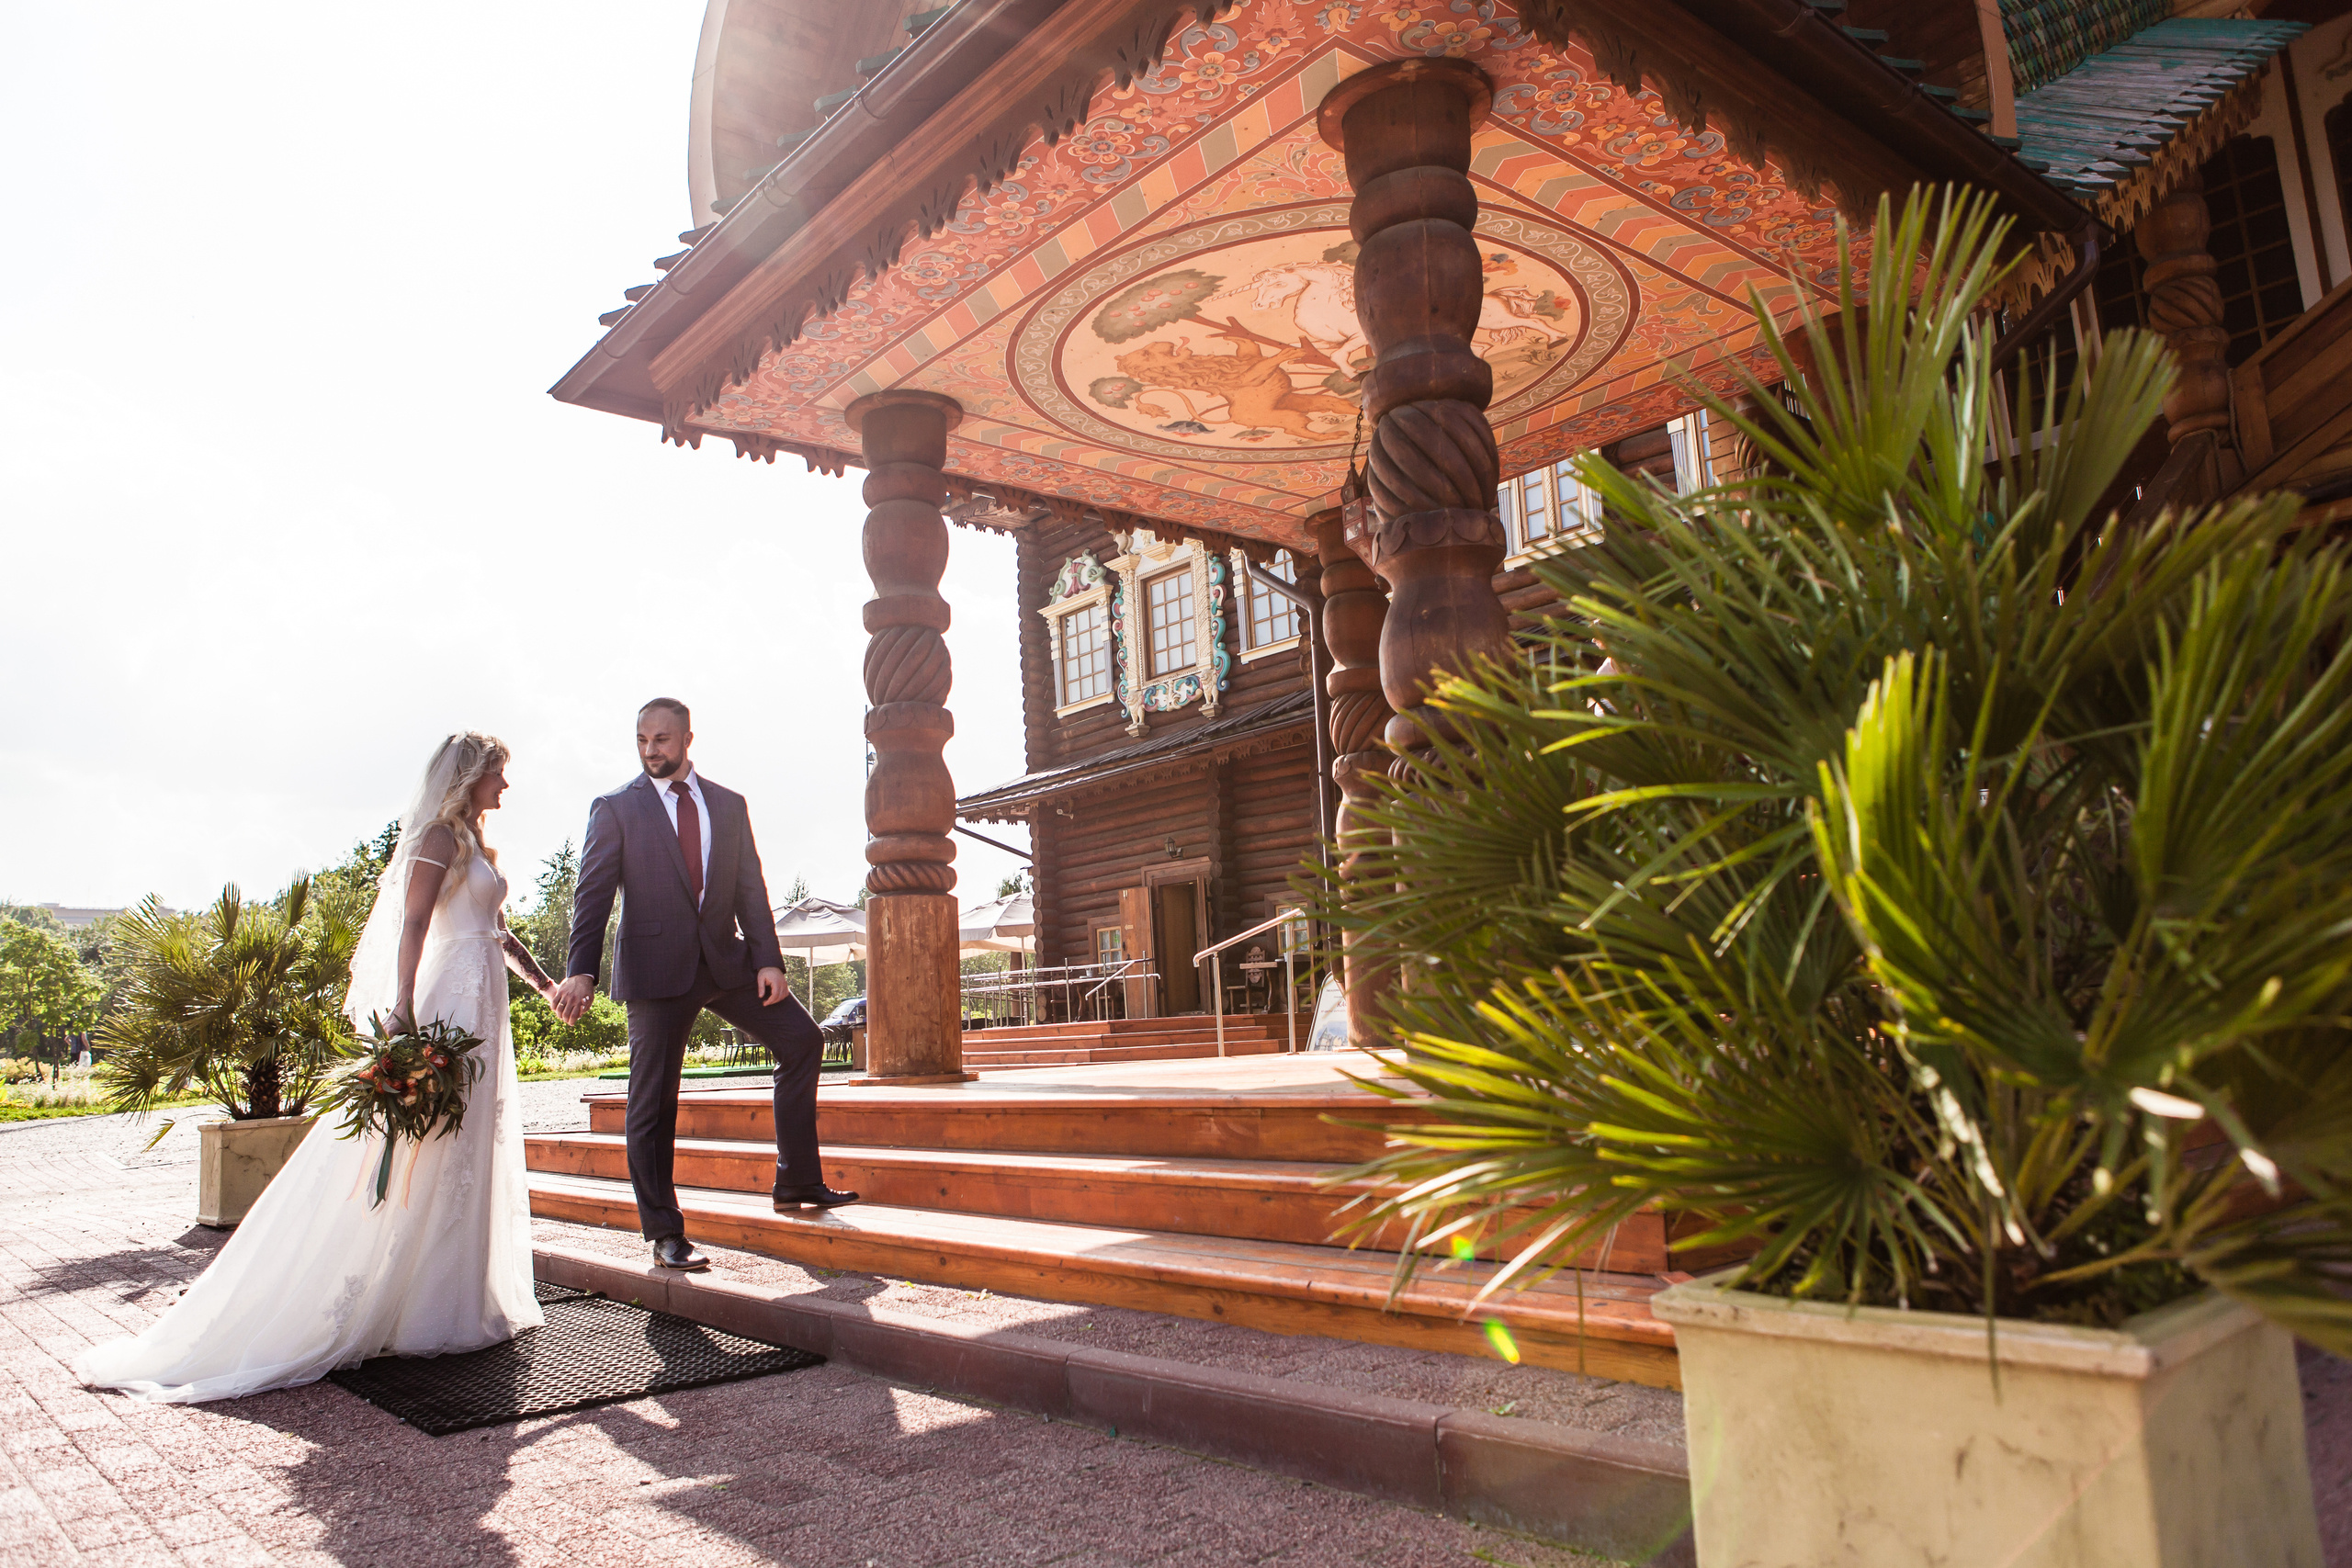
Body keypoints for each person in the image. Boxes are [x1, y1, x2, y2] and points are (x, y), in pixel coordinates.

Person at [75, 732, 553, 1403]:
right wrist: (404, 1007)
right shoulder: (439, 839)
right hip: (446, 1002)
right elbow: (414, 922)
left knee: (471, 1145)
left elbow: (496, 931)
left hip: (486, 1013)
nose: (506, 785)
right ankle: (413, 1307)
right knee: (432, 1143)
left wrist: (546, 984)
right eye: (498, 773)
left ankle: (462, 1299)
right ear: (469, 776)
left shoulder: (478, 844)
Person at [551, 699, 852, 1273]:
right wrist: (581, 971)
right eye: (642, 740)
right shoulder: (616, 809)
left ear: (688, 738)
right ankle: (664, 1232)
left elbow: (751, 889)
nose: (650, 751)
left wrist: (769, 961)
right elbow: (591, 898)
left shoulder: (728, 805)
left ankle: (797, 1181)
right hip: (655, 971)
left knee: (802, 1042)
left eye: (662, 739)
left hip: (725, 961)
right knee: (654, 1101)